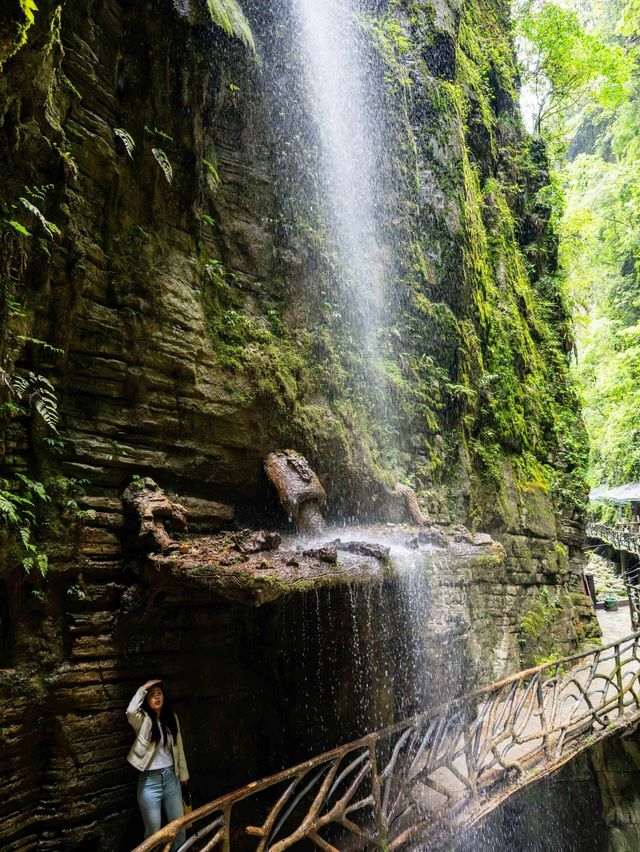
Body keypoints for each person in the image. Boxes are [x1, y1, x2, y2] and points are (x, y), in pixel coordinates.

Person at [126, 679, 190, 849]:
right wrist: (143, 688)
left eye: (159, 693)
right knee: (153, 832)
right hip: (149, 781)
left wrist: (183, 776)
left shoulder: (171, 718)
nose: (156, 697)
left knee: (179, 825)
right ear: (147, 700)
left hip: (171, 778)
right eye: (152, 695)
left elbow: (179, 748)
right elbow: (130, 711)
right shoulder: (143, 720)